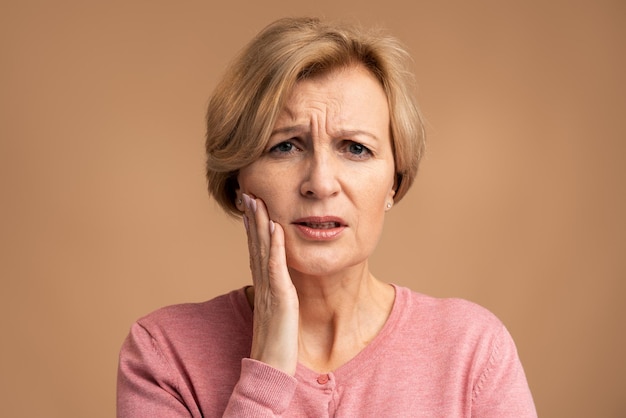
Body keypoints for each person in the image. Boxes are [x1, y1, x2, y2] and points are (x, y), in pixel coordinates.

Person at [117, 17, 537, 417]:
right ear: (237, 180)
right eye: (285, 146)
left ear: (395, 181)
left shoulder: (472, 350)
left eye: (355, 148)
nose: (320, 183)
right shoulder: (163, 353)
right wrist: (268, 369)